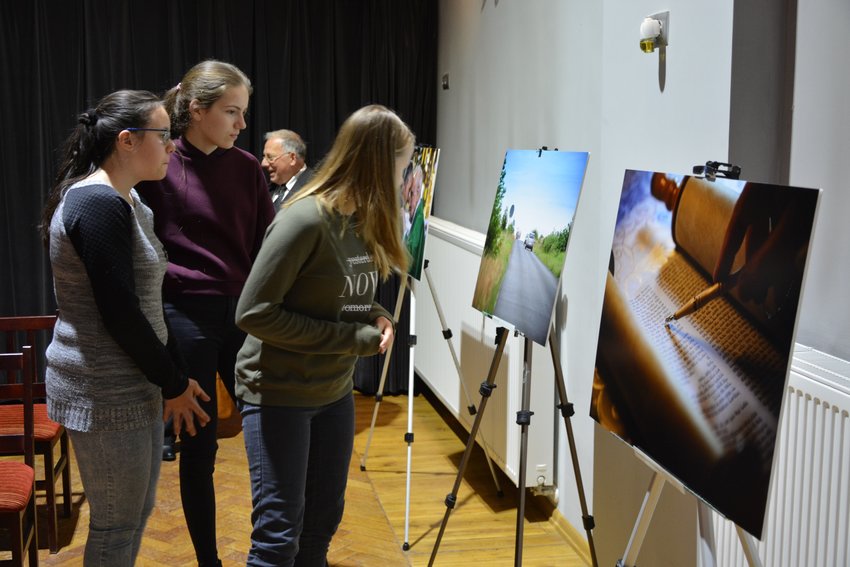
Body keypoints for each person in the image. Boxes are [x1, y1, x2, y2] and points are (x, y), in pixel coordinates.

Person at [235, 104, 415, 566]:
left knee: (320, 527)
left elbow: (347, 294)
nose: (405, 176)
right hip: (278, 391)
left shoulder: (364, 219)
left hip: (333, 392)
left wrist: (377, 315)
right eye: (402, 164)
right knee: (278, 537)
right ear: (378, 163)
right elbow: (254, 313)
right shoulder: (305, 220)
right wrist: (352, 340)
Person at [41, 90, 210, 566]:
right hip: (103, 389)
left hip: (132, 383)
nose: (173, 146)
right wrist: (173, 383)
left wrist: (172, 376)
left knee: (135, 514)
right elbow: (120, 314)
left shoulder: (128, 198)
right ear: (128, 140)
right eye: (164, 136)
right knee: (116, 526)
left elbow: (149, 303)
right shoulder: (96, 204)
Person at [136, 60, 275, 567]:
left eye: (244, 113)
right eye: (231, 112)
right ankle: (208, 562)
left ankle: (273, 552)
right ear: (195, 111)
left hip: (244, 316)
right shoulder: (160, 165)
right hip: (185, 317)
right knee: (198, 449)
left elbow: (267, 245)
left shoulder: (246, 170)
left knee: (269, 432)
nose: (242, 125)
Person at [261, 129, 313, 211]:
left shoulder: (315, 188)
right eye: (264, 157)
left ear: (292, 158)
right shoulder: (266, 190)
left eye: (270, 157)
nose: (263, 164)